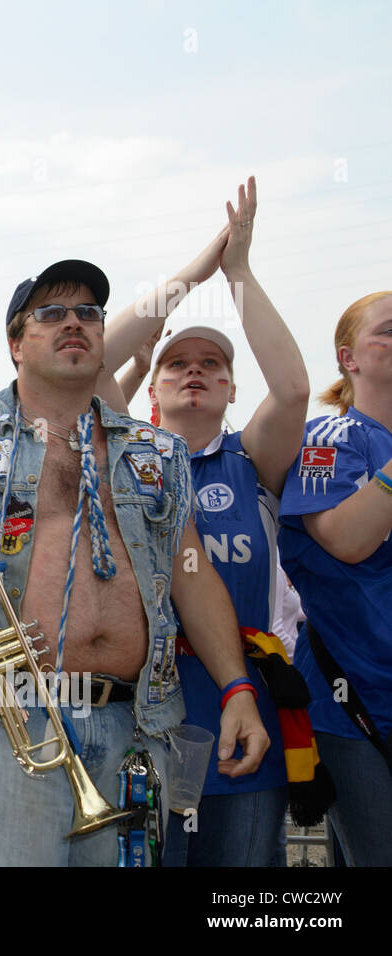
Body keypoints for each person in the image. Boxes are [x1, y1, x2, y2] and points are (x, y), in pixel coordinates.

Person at [0, 257, 269, 866]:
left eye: (89, 313)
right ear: (15, 344)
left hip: (133, 722)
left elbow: (194, 580)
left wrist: (237, 687)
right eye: (51, 314)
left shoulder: (156, 452)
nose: (74, 323)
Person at [107, 178, 309, 866]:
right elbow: (95, 361)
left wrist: (240, 274)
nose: (196, 371)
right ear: (153, 393)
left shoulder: (253, 458)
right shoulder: (127, 458)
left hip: (241, 708)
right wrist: (196, 273)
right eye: (178, 364)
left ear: (229, 390)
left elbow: (293, 389)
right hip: (144, 719)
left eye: (213, 365)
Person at [278, 290, 392, 866]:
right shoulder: (332, 438)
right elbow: (347, 541)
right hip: (358, 699)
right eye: (390, 330)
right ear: (349, 358)